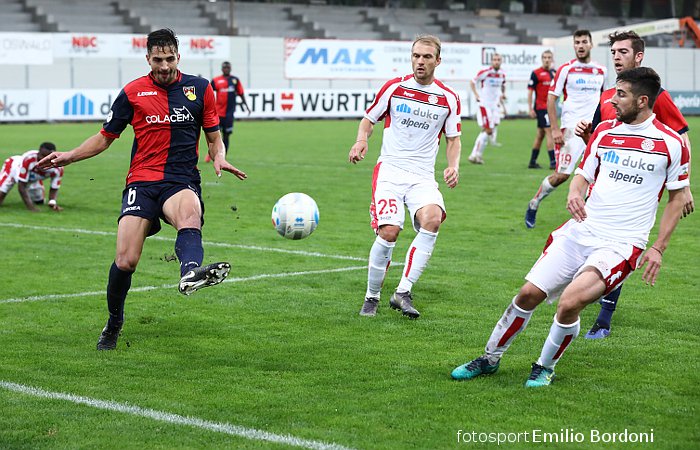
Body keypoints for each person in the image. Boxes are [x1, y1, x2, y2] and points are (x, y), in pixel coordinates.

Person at [452, 67, 689, 387]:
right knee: (528, 293)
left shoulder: (671, 143)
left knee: (570, 302)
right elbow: (582, 173)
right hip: (581, 230)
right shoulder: (605, 132)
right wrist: (575, 193)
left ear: (643, 100)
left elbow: (677, 199)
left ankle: (544, 366)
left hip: (621, 243)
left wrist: (658, 248)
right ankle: (490, 358)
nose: (612, 100)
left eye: (621, 94)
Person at [38, 29, 247, 351]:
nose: (164, 66)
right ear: (148, 59)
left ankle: (190, 273)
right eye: (158, 59)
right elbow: (105, 137)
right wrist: (69, 155)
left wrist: (220, 157)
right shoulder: (133, 92)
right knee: (125, 261)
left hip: (181, 180)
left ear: (179, 56)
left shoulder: (201, 89)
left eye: (170, 58)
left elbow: (214, 135)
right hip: (142, 181)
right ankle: (114, 322)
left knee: (190, 215)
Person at [573, 30, 694, 340]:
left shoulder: (656, 96)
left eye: (623, 51)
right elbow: (600, 142)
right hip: (602, 184)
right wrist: (586, 132)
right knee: (592, 245)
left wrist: (686, 185)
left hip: (638, 184)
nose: (616, 56)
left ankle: (603, 318)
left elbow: (681, 136)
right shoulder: (607, 94)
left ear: (638, 56)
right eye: (613, 51)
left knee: (620, 243)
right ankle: (581, 295)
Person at [348, 34, 461, 319]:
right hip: (390, 171)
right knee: (389, 231)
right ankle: (371, 297)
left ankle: (402, 292)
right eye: (415, 56)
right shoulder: (395, 87)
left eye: (425, 57)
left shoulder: (448, 98)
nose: (419, 61)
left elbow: (453, 139)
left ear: (438, 60)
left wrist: (453, 165)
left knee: (433, 219)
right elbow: (368, 120)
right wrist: (361, 140)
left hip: (422, 176)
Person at [524, 30, 606, 228]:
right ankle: (534, 202)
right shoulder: (566, 69)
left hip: (594, 131)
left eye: (584, 42)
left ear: (591, 45)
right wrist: (554, 130)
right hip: (571, 130)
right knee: (562, 175)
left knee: (599, 174)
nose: (580, 45)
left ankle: (590, 220)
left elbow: (604, 101)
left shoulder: (601, 70)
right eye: (577, 42)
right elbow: (551, 99)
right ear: (574, 45)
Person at [0, 142, 64, 212]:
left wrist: (52, 202)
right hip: (13, 169)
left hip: (31, 177)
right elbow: (21, 186)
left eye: (45, 157)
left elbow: (54, 187)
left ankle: (36, 183)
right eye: (40, 155)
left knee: (39, 202)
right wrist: (31, 207)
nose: (41, 158)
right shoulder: (28, 159)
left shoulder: (58, 168)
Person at [208, 61, 251, 160]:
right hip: (218, 114)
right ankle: (211, 154)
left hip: (229, 115)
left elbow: (241, 93)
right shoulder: (216, 80)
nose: (226, 69)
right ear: (222, 69)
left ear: (230, 68)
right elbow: (208, 93)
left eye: (228, 67)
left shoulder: (235, 80)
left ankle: (223, 157)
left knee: (226, 136)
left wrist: (246, 107)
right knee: (214, 137)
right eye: (225, 67)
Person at [468, 53, 506, 164]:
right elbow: (472, 82)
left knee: (491, 129)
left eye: (498, 59)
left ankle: (477, 155)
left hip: (495, 106)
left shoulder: (502, 74)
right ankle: (474, 155)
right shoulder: (485, 72)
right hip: (485, 105)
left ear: (501, 61)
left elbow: (503, 85)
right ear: (491, 61)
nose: (496, 61)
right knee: (487, 130)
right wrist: (476, 95)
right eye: (494, 59)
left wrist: (503, 94)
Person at [526, 50, 557, 169]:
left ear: (552, 59)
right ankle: (553, 162)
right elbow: (530, 92)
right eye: (545, 57)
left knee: (540, 135)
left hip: (551, 108)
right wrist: (530, 108)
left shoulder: (554, 73)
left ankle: (532, 162)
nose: (547, 59)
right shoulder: (536, 73)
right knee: (550, 132)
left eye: (549, 57)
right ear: (542, 59)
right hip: (542, 108)